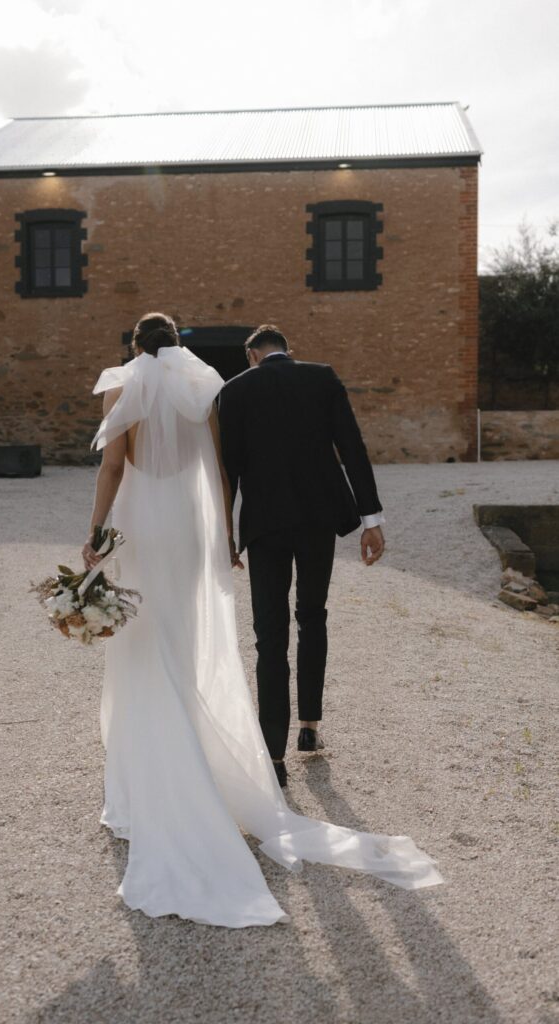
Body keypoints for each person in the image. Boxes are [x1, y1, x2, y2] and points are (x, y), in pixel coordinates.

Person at [82, 311, 442, 929]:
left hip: (160, 529)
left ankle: (206, 768)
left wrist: (96, 535)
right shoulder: (213, 388)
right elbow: (229, 469)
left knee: (181, 641)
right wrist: (223, 535)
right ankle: (266, 740)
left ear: (135, 346)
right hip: (218, 533)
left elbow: (122, 466)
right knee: (243, 632)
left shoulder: (154, 385)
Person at [218, 325, 385, 788]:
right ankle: (309, 728)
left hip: (265, 526)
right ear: (287, 350)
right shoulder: (322, 377)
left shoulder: (233, 391)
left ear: (252, 354)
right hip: (318, 520)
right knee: (313, 616)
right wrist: (371, 521)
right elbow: (352, 449)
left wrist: (225, 536)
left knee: (269, 636)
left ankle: (273, 756)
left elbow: (227, 468)